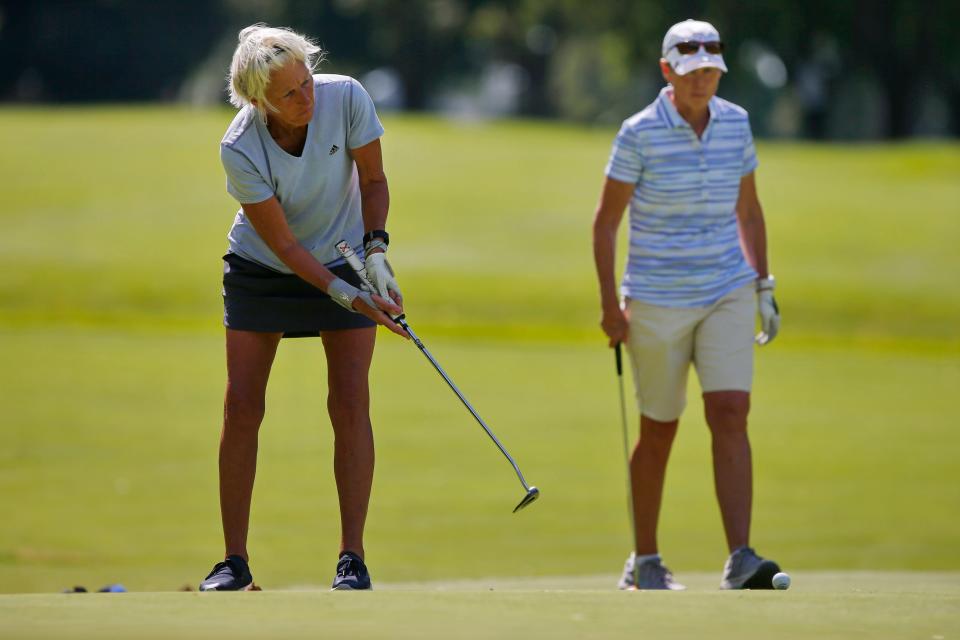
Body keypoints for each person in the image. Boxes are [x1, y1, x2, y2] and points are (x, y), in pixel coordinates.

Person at [198, 24, 407, 592]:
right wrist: (347, 296)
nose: (307, 97)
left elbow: (374, 179)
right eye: (290, 94)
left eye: (307, 81)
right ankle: (234, 562)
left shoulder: (347, 97)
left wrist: (378, 254)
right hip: (263, 267)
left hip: (345, 254)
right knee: (242, 406)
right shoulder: (239, 146)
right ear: (259, 100)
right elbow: (285, 247)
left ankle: (352, 559)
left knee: (349, 401)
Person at [592, 19, 783, 590]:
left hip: (728, 287)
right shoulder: (639, 132)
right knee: (659, 429)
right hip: (656, 297)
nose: (703, 80)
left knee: (730, 412)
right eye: (692, 70)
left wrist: (764, 285)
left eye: (711, 71)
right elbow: (605, 224)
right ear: (667, 70)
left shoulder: (737, 124)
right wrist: (610, 306)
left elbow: (748, 211)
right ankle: (644, 559)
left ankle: (741, 558)